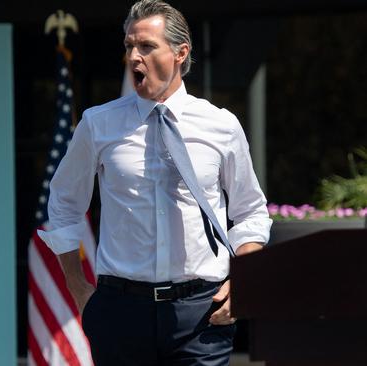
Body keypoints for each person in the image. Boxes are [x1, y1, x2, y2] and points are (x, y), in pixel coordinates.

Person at [37, 0, 272, 364]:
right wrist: (78, 287)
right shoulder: (97, 124)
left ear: (181, 53)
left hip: (201, 313)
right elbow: (64, 203)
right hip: (120, 311)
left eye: (146, 46)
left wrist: (243, 285)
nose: (134, 57)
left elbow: (251, 213)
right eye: (129, 46)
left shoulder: (221, 125)